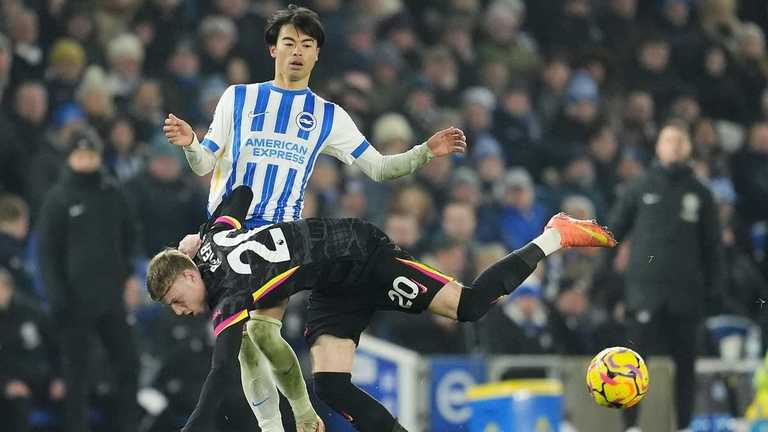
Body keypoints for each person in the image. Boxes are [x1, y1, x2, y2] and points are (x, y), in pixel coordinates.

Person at [147, 185, 616, 432]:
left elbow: (221, 367)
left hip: (362, 254)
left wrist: (195, 426)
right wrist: (203, 231)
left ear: (189, 275)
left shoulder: (229, 293)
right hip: (332, 284)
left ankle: (555, 233)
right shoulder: (213, 238)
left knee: (469, 305)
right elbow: (242, 195)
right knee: (330, 386)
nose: (181, 311)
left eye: (176, 302)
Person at [163, 4, 466, 230]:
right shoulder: (238, 96)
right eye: (289, 43)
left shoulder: (328, 115)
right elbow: (204, 166)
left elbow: (380, 168)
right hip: (227, 229)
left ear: (317, 54)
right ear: (273, 49)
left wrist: (425, 152)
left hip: (282, 237)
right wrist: (191, 143)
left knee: (264, 317)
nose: (298, 52)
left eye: (307, 45)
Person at [609, 121, 724, 432]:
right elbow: (613, 232)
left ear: (688, 147)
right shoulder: (640, 186)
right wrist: (605, 283)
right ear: (658, 147)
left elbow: (713, 246)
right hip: (644, 292)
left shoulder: (701, 193)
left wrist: (714, 291)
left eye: (679, 141)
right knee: (631, 364)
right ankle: (631, 426)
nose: (674, 146)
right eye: (668, 140)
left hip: (686, 295)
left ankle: (684, 426)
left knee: (686, 366)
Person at [36, 127, 140, 432]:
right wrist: (57, 297)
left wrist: (131, 277)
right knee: (77, 376)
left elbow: (130, 236)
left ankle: (127, 427)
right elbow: (46, 253)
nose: (86, 160)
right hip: (74, 302)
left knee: (129, 364)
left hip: (111, 299)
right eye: (80, 155)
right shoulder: (58, 198)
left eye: (91, 154)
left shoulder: (113, 193)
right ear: (70, 158)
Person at [0, 268, 64, 432]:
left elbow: (56, 348)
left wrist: (59, 378)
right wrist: (6, 386)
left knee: (73, 397)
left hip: (43, 381)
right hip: (10, 385)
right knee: (16, 406)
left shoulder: (31, 312)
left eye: (2, 287)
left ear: (9, 288)